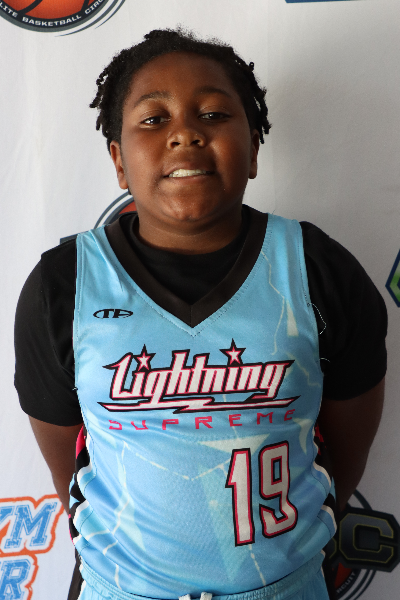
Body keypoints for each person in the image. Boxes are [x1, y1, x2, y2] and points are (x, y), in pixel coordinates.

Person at [14, 28, 387, 600]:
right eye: (153, 119)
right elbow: (71, 465)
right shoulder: (63, 286)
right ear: (119, 160)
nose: (185, 133)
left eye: (213, 114)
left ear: (254, 148)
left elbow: (345, 451)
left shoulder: (318, 270)